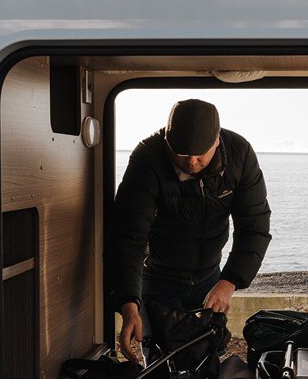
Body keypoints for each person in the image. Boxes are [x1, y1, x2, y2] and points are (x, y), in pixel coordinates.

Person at [109, 98, 271, 362]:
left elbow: (255, 226)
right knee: (161, 368)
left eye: (200, 154)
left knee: (206, 362)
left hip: (211, 277)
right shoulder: (147, 158)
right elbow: (128, 237)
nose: (192, 162)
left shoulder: (240, 154)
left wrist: (229, 282)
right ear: (167, 142)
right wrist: (128, 303)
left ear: (217, 140)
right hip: (157, 279)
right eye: (182, 154)